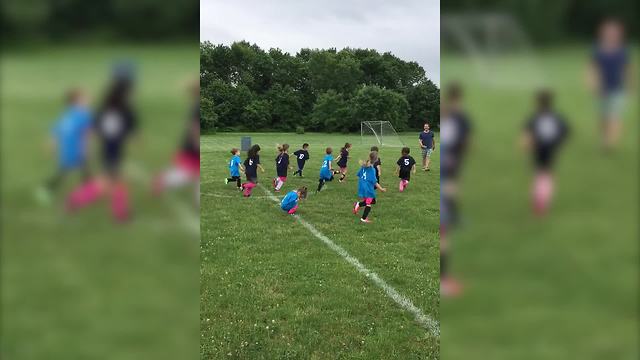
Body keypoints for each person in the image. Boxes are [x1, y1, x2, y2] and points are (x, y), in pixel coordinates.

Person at [67, 65, 138, 222]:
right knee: (111, 182)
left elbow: (95, 129)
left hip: (108, 149)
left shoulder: (106, 107)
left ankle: (75, 201)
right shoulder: (124, 109)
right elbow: (130, 131)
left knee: (109, 182)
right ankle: (119, 214)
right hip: (113, 150)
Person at [440, 83, 471, 297]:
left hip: (448, 174)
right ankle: (443, 281)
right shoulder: (455, 121)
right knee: (444, 233)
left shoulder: (453, 120)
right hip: (446, 176)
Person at [37, 88, 92, 205]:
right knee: (69, 172)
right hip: (76, 150)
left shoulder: (66, 114)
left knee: (75, 171)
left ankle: (87, 192)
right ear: (77, 101)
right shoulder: (84, 115)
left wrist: (51, 144)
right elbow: (85, 135)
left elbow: (56, 131)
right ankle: (47, 189)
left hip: (66, 150)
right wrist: (85, 149)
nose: (88, 100)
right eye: (85, 98)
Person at [152, 80, 201, 205]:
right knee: (186, 175)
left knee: (196, 174)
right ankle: (163, 180)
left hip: (192, 145)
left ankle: (197, 200)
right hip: (192, 147)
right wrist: (196, 143)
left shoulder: (197, 104)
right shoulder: (197, 106)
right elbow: (194, 127)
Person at [587, 18, 633, 151]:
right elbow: (591, 68)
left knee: (614, 116)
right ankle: (605, 138)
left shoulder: (623, 51)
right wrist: (592, 83)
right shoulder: (597, 49)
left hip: (618, 89)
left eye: (614, 32)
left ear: (619, 34)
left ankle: (610, 143)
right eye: (608, 32)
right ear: (603, 33)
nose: (611, 34)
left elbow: (627, 69)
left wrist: (630, 84)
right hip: (601, 89)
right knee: (603, 117)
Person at [521, 90, 569, 216]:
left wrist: (527, 146)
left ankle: (538, 197)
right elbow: (566, 131)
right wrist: (560, 144)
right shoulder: (557, 117)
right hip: (551, 149)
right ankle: (544, 198)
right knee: (547, 174)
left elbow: (527, 136)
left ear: (536, 102)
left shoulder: (534, 118)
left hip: (538, 149)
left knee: (539, 173)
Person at [353, 152, 387, 223]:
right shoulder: (372, 169)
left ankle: (358, 204)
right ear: (376, 160)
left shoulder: (363, 166)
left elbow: (359, 175)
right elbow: (374, 182)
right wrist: (381, 189)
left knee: (369, 201)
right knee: (368, 203)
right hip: (368, 188)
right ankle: (363, 218)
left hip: (362, 186)